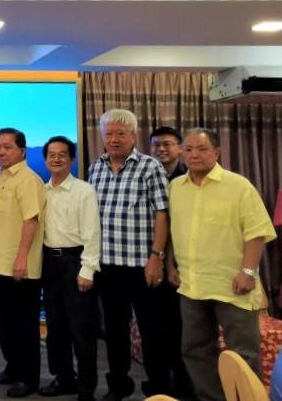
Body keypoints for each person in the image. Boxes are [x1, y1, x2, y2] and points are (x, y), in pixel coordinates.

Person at [168, 128, 276, 401]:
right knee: (195, 350)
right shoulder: (176, 188)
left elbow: (256, 232)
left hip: (232, 284)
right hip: (192, 285)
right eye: (189, 149)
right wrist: (170, 266)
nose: (194, 154)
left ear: (217, 152)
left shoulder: (238, 186)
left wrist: (248, 272)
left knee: (243, 354)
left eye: (202, 149)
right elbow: (173, 231)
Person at [88, 109, 170, 401]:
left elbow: (162, 214)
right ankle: (119, 385)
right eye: (109, 134)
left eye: (120, 134)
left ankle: (158, 388)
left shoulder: (150, 167)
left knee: (151, 329)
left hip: (141, 264)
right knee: (114, 329)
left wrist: (156, 257)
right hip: (107, 265)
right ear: (102, 137)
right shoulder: (95, 169)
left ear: (133, 136)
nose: (114, 139)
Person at [0, 127, 46, 398]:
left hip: (21, 266)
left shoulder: (28, 179)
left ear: (22, 151)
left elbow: (31, 220)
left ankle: (29, 378)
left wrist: (22, 256)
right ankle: (12, 368)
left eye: (7, 147)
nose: (1, 152)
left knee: (24, 325)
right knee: (5, 321)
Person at [39, 136, 101, 401]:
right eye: (51, 155)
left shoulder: (83, 190)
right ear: (45, 159)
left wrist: (87, 269)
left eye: (62, 154)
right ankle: (63, 378)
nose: (56, 159)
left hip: (75, 262)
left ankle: (86, 388)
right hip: (49, 263)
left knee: (81, 329)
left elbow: (92, 232)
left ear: (72, 159)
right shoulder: (42, 190)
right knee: (55, 327)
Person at [149, 125, 193, 398]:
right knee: (158, 327)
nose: (161, 149)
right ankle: (160, 384)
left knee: (181, 328)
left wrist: (170, 263)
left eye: (167, 144)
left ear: (179, 148)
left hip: (181, 265)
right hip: (154, 263)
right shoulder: (149, 175)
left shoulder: (188, 179)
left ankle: (183, 385)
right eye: (156, 145)